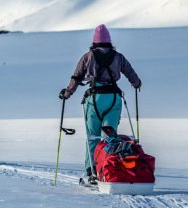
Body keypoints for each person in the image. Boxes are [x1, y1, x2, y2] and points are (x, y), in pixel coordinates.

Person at [60, 24, 142, 184]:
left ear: (94, 42)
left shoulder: (87, 56)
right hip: (113, 98)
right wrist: (137, 83)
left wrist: (67, 93)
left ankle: (92, 173)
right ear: (109, 41)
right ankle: (108, 169)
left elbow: (76, 77)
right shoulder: (118, 57)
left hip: (94, 99)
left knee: (93, 137)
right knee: (109, 137)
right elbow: (131, 74)